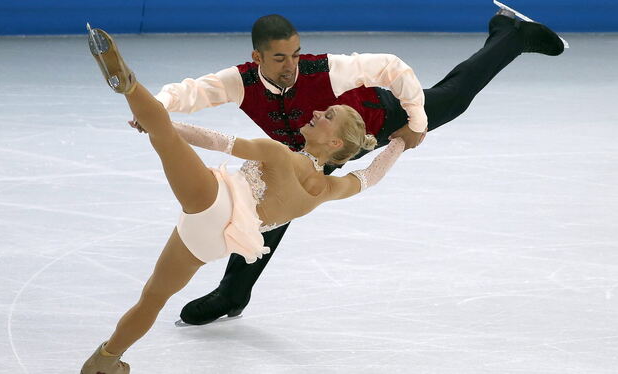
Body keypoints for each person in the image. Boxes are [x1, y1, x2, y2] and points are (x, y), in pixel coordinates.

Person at [140, 4, 566, 326]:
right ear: (257, 57)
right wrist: (154, 110)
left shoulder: (327, 69)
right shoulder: (239, 82)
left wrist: (414, 123)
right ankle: (234, 293)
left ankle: (511, 34)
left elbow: (392, 67)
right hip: (308, 151)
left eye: (295, 54)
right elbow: (188, 93)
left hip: (379, 118)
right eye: (279, 59)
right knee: (274, 209)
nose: (291, 67)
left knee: (451, 99)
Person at [81, 27, 414, 374]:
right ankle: (104, 362)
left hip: (211, 202)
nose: (316, 113)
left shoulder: (279, 153)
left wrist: (159, 124)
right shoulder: (329, 190)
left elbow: (214, 140)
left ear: (334, 145)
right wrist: (401, 143)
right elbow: (371, 176)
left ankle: (130, 85)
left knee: (163, 138)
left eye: (327, 116)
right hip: (212, 243)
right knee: (154, 298)